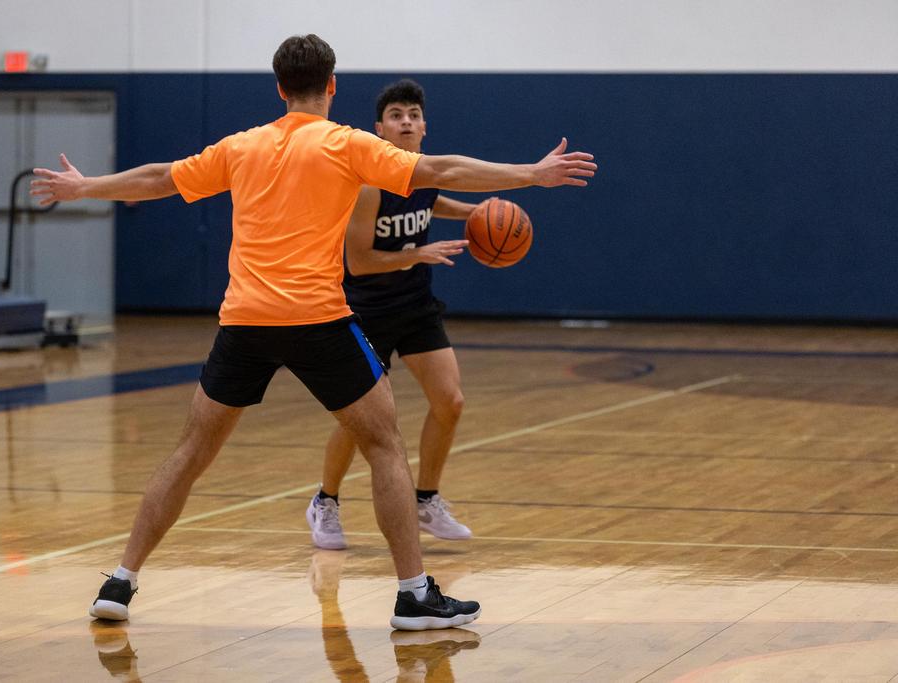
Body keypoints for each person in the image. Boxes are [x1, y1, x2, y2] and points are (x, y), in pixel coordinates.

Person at [31, 34, 596, 631]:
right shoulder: (346, 144)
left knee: (191, 452)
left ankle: (120, 581)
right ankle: (413, 594)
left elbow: (159, 179)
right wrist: (531, 174)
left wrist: (85, 187)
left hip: (244, 322)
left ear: (280, 88)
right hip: (319, 320)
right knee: (384, 446)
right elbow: (440, 169)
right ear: (331, 85)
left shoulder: (242, 146)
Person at [307, 79, 479, 550]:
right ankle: (325, 501)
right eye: (396, 115)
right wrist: (417, 254)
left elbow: (431, 201)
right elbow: (359, 261)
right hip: (367, 311)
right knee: (360, 420)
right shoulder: (368, 185)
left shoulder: (425, 173)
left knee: (450, 401)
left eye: (413, 115)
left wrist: (477, 213)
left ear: (424, 127)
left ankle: (426, 499)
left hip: (415, 306)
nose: (406, 122)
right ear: (379, 129)